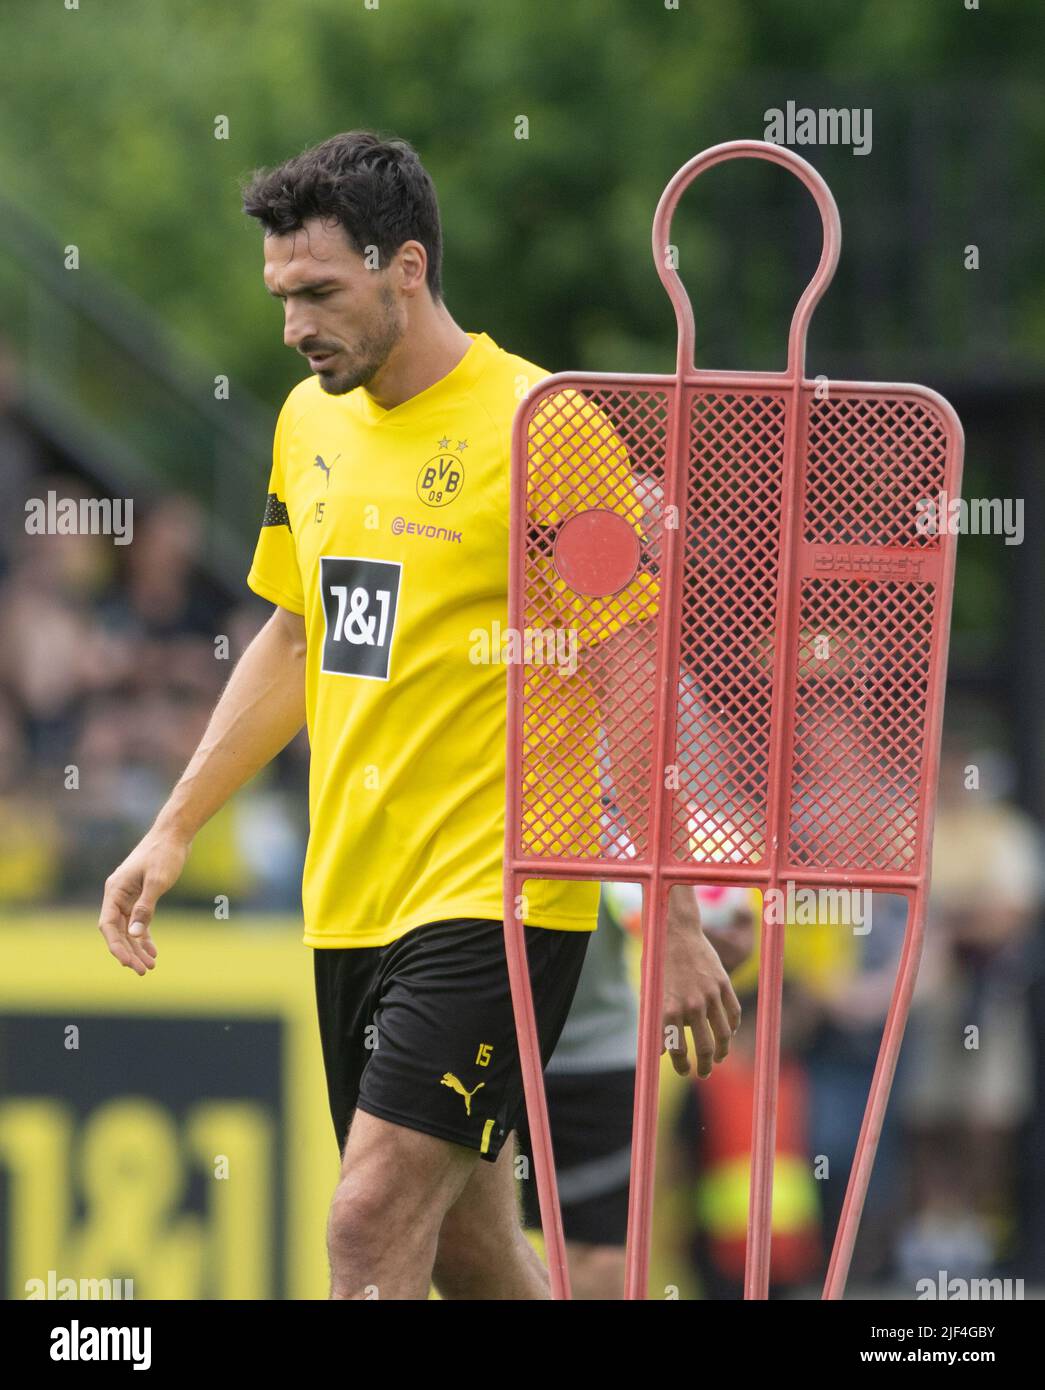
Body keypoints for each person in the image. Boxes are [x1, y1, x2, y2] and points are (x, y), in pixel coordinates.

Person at [96, 130, 742, 1301]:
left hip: (498, 893)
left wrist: (676, 909)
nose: (293, 326)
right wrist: (175, 824)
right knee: (466, 1248)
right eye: (282, 296)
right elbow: (295, 636)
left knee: (366, 1218)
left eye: (318, 292)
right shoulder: (308, 424)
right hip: (353, 899)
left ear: (406, 267)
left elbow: (633, 664)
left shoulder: (549, 427)